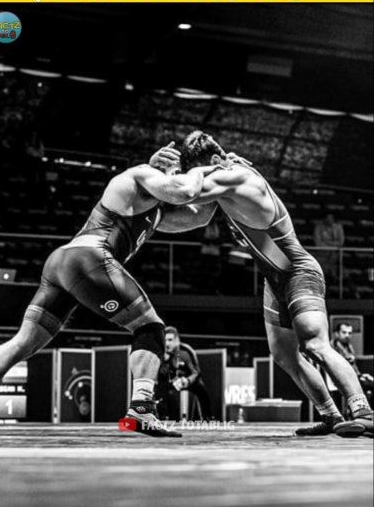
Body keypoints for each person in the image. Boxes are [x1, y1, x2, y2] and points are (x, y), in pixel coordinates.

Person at [0, 143, 218, 437]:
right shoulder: (139, 174)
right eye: (175, 171)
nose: (178, 177)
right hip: (88, 258)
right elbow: (185, 192)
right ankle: (141, 410)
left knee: (23, 343)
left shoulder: (154, 212)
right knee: (151, 328)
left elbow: (199, 216)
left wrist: (221, 186)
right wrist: (207, 169)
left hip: (64, 264)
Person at [150, 131, 373, 438]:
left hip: (298, 272)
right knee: (284, 354)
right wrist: (148, 222)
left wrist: (157, 171)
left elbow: (182, 193)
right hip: (274, 279)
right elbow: (195, 218)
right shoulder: (223, 184)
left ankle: (364, 412)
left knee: (314, 344)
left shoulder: (239, 177)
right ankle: (331, 416)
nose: (200, 177)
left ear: (215, 161)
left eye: (201, 171)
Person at [157, 326, 212, 420]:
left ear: (176, 340)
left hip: (188, 381)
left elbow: (196, 372)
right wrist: (164, 360)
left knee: (201, 389)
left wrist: (187, 380)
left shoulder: (186, 350)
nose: (167, 344)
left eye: (170, 340)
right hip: (172, 382)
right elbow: (160, 374)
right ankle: (164, 417)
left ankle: (208, 417)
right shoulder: (160, 351)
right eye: (165, 340)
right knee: (160, 388)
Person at [331, 323, 373, 406]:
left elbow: (354, 366)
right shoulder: (333, 347)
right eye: (344, 332)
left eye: (349, 333)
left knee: (370, 381)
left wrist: (361, 375)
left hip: (354, 377)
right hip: (344, 379)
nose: (347, 335)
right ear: (337, 333)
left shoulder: (348, 346)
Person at [314, 213, 344, 285]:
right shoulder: (319, 227)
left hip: (335, 256)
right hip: (322, 256)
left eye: (331, 218)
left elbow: (341, 243)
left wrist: (327, 242)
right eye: (327, 218)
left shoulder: (338, 227)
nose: (329, 220)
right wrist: (333, 244)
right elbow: (318, 243)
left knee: (338, 272)